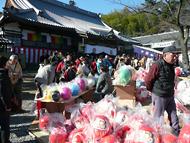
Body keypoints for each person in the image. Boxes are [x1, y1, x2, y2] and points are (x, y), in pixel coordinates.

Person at [144, 45, 180, 136]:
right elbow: (148, 79)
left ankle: (176, 134)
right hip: (159, 95)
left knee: (174, 116)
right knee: (158, 118)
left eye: (176, 55)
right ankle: (157, 135)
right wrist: (151, 90)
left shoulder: (171, 65)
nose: (175, 57)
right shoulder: (157, 65)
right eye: (173, 55)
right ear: (165, 55)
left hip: (170, 95)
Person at [0, 56, 12, 143]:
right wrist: (6, 105)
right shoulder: (3, 75)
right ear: (4, 64)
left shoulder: (4, 73)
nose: (9, 63)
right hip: (2, 105)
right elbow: (2, 93)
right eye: (8, 62)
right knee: (5, 125)